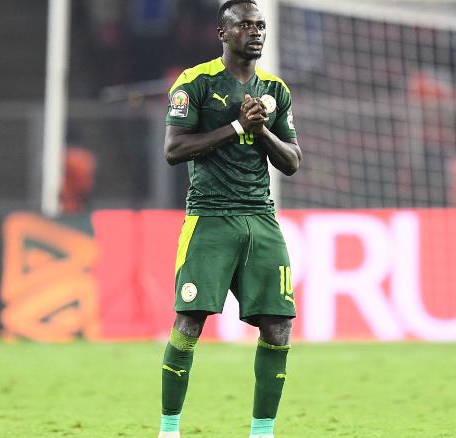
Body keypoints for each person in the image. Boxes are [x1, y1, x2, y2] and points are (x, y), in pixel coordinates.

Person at [159, 1, 301, 437]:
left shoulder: (276, 90)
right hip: (210, 217)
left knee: (278, 327)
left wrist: (262, 132)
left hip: (260, 217)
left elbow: (293, 161)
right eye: (244, 25)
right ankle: (169, 428)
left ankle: (262, 432)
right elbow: (173, 150)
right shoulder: (195, 83)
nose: (255, 32)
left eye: (260, 25)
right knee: (190, 322)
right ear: (223, 32)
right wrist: (237, 128)